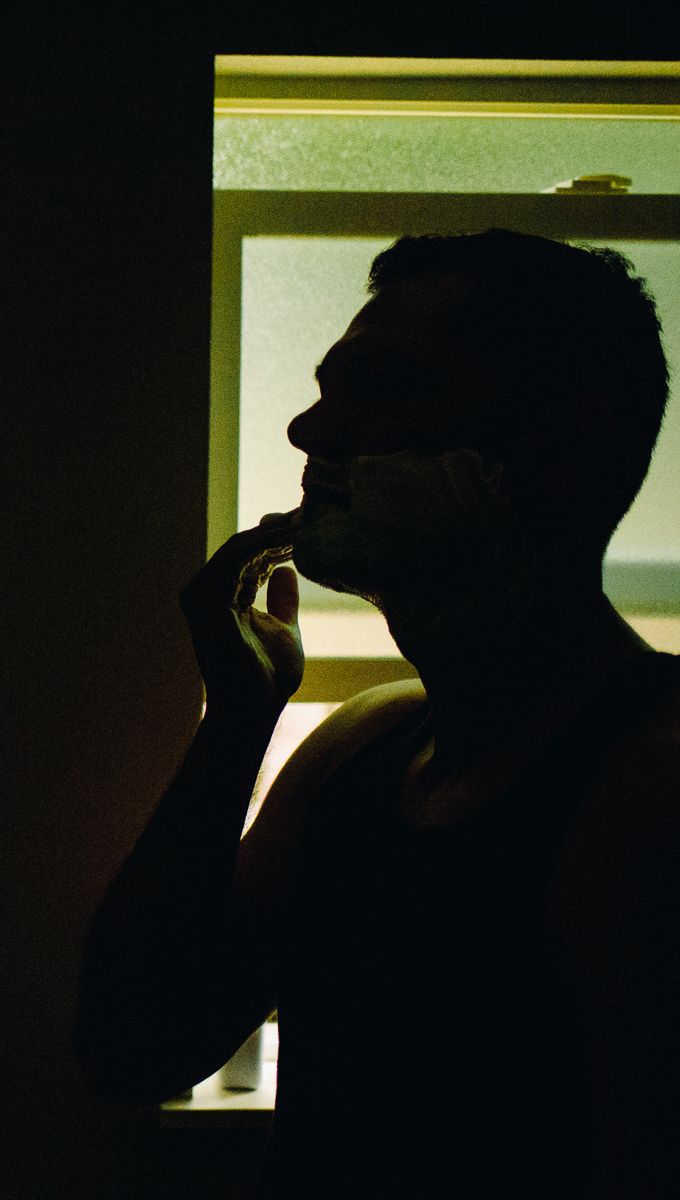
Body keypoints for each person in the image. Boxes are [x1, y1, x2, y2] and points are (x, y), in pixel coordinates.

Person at [74, 229, 678, 1198]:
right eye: (326, 389)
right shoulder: (363, 743)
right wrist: (236, 719)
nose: (309, 432)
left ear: (567, 446)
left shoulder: (653, 787)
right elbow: (134, 1050)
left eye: (383, 391)